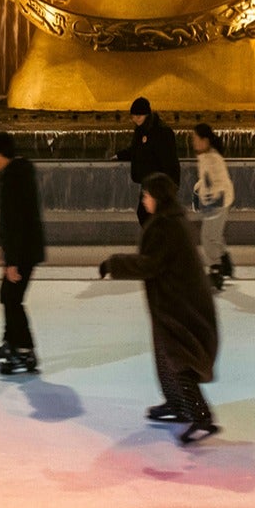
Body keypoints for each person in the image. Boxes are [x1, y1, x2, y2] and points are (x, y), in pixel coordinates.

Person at [100, 174, 221, 444]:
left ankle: (202, 418)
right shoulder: (168, 221)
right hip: (171, 302)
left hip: (181, 305)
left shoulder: (167, 226)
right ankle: (177, 404)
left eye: (146, 195)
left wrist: (113, 264)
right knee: (167, 357)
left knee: (181, 360)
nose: (144, 200)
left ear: (158, 197)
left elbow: (150, 264)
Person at [0, 132, 46, 375]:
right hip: (23, 250)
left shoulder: (13, 179)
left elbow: (16, 222)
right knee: (8, 296)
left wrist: (13, 261)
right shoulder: (17, 173)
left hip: (23, 252)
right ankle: (12, 344)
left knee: (12, 298)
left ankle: (25, 351)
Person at [116, 97, 181, 225]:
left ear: (147, 115)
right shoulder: (141, 129)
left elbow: (170, 161)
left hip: (159, 183)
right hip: (148, 181)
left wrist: (171, 185)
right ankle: (156, 240)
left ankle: (158, 241)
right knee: (146, 214)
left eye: (138, 117)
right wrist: (119, 156)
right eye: (133, 116)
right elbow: (136, 149)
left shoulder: (162, 132)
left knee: (152, 215)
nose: (135, 119)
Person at [191, 123, 236, 291]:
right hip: (217, 201)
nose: (193, 142)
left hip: (218, 202)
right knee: (214, 234)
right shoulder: (206, 156)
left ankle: (216, 269)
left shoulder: (212, 158)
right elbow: (206, 180)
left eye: (195, 139)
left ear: (205, 141)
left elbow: (219, 182)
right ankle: (224, 262)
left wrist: (208, 197)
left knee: (207, 236)